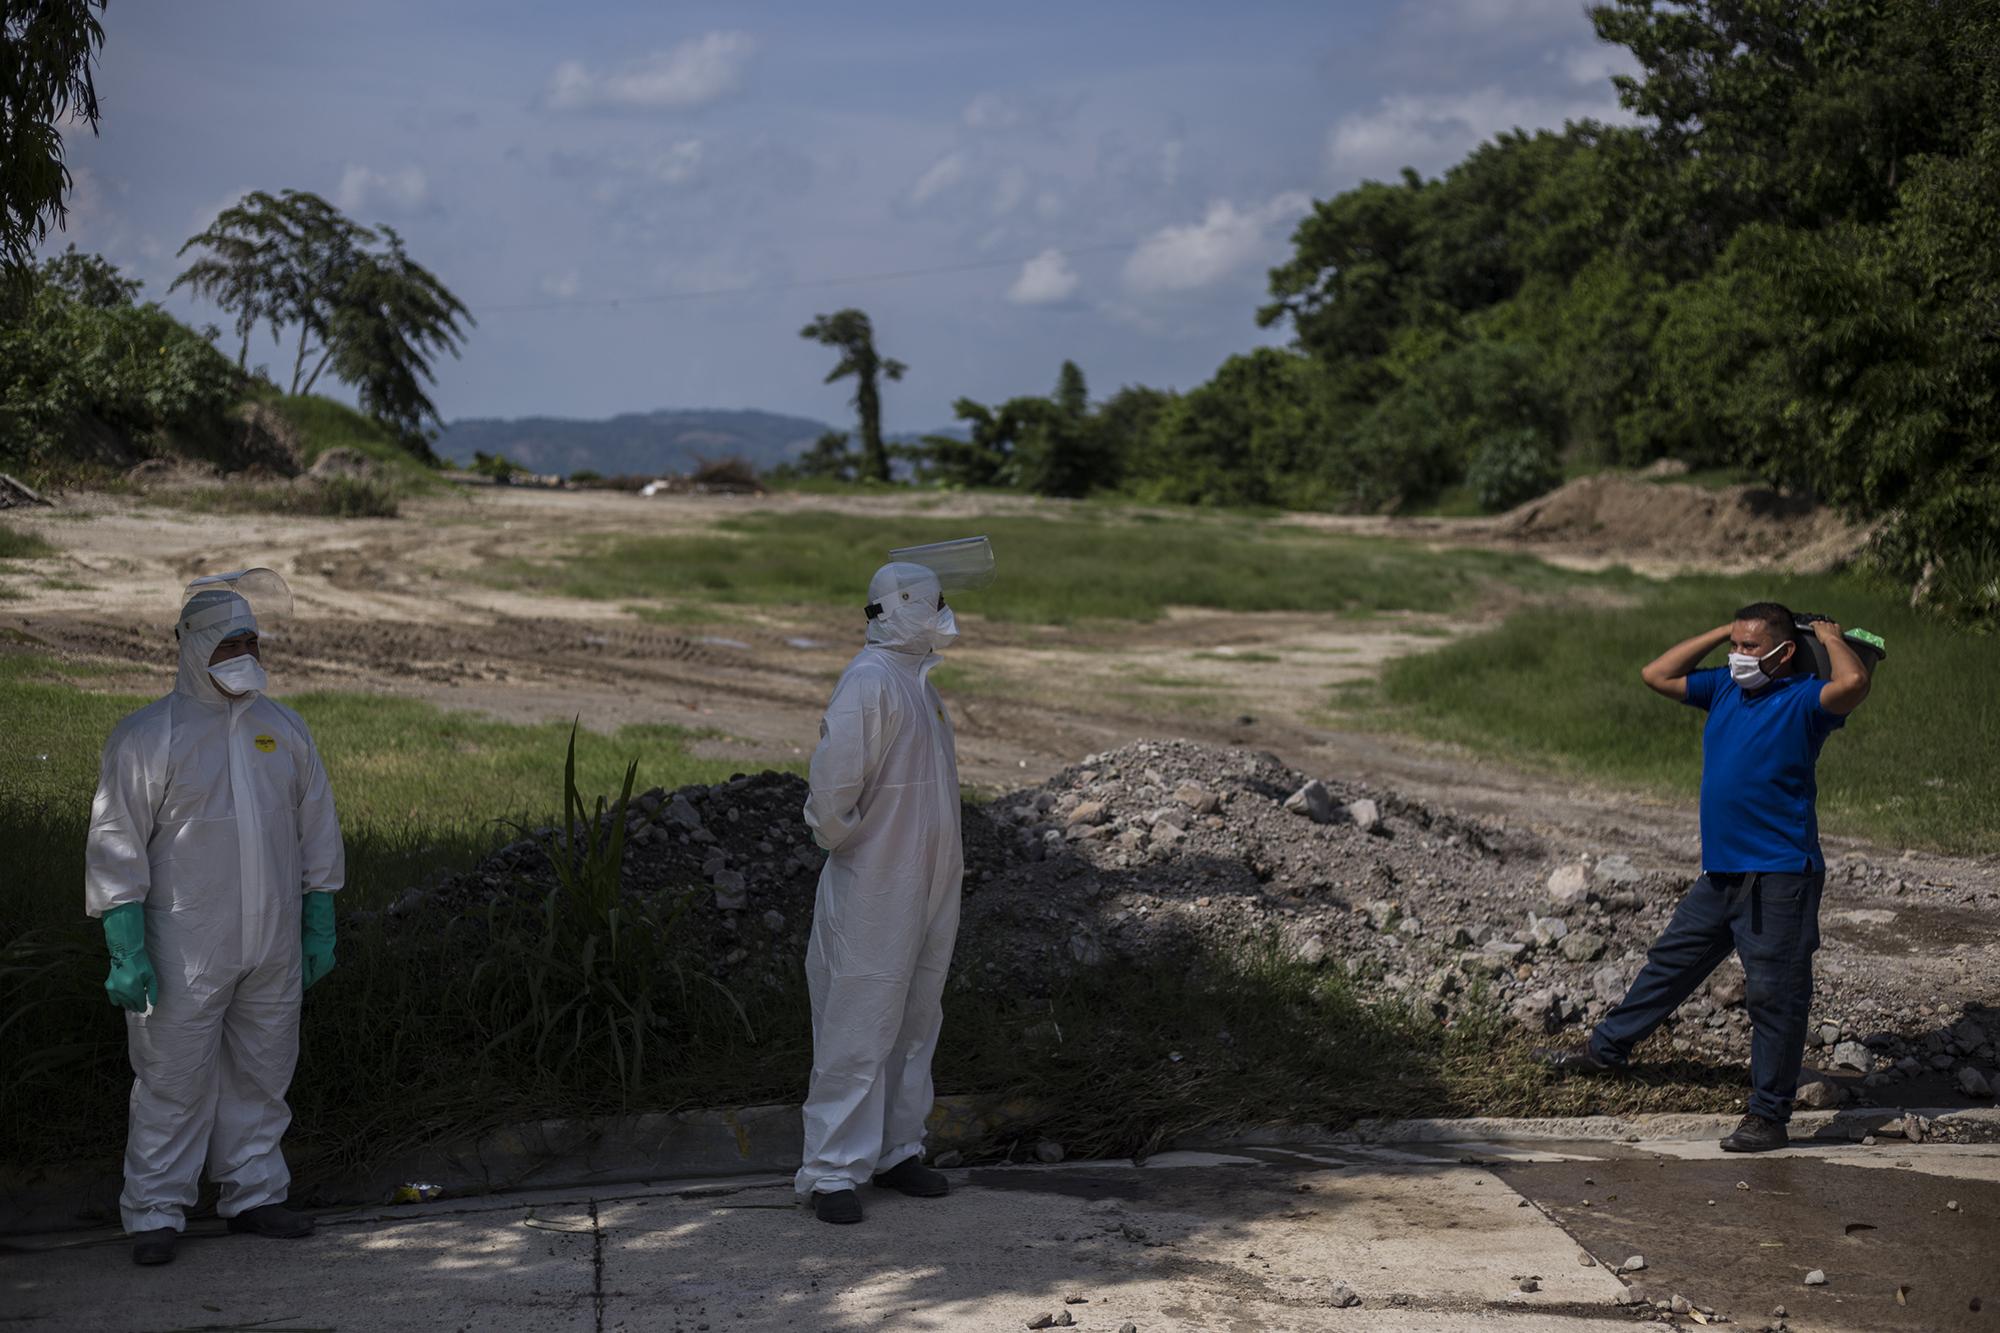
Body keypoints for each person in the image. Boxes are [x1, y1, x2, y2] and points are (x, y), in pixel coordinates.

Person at [1542, 603, 1873, 1152]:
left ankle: (1769, 1117)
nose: (1738, 656)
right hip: (1721, 873)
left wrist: (1829, 636)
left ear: (1784, 652)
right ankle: (1604, 1053)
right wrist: (1724, 629)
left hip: (1779, 877)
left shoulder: (1804, 702)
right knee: (1670, 964)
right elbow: (1657, 674)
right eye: (1734, 646)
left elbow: (1855, 682)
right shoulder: (1724, 688)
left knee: (1776, 997)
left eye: (1750, 647)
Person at [86, 576, 345, 1265]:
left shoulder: (283, 729)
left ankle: (255, 1192)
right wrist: (124, 942)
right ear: (194, 648)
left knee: (263, 1071)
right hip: (183, 948)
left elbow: (316, 826)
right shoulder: (149, 737)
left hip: (272, 942)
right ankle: (154, 1209)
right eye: (230, 642)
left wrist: (319, 912)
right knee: (173, 1077)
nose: (245, 653)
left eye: (252, 640)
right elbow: (116, 841)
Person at [795, 561, 965, 1224]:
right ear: (897, 609)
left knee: (916, 1015)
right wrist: (850, 844)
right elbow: (833, 790)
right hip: (876, 882)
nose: (944, 611)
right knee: (858, 1018)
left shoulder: (916, 681)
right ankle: (833, 1169)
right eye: (934, 602)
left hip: (927, 878)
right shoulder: (870, 682)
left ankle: (896, 1150)